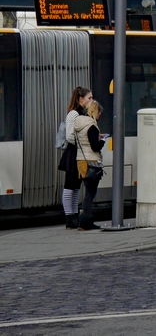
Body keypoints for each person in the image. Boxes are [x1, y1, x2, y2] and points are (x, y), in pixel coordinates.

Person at [60, 87, 92, 230]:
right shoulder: (74, 114)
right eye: (89, 98)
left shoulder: (85, 113)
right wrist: (83, 141)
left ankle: (74, 216)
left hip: (80, 151)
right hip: (74, 152)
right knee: (69, 186)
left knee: (76, 187)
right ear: (81, 100)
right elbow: (69, 136)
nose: (91, 100)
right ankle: (69, 217)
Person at [73, 100, 105, 231]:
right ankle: (85, 222)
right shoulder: (91, 126)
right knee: (90, 193)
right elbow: (94, 146)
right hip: (91, 161)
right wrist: (102, 141)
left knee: (87, 191)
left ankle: (84, 220)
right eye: (99, 114)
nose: (99, 117)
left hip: (81, 160)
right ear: (95, 112)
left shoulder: (80, 124)